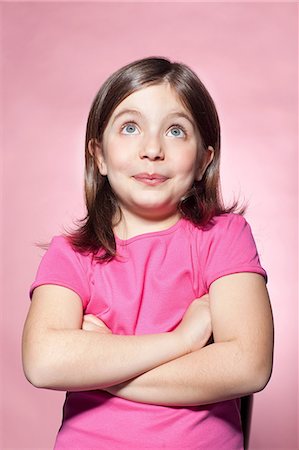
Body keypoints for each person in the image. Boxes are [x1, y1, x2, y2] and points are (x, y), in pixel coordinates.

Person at [22, 56, 274, 450]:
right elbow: (43, 362)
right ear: (99, 156)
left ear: (204, 160)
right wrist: (184, 341)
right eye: (130, 127)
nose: (152, 148)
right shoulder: (70, 255)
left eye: (175, 130)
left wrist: (99, 364)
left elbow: (249, 366)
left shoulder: (224, 237)